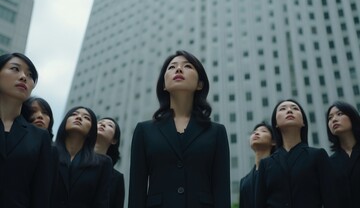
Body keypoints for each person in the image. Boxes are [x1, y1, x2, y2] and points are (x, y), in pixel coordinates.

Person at [128, 50, 231, 208]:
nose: (178, 69)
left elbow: (222, 190)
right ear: (164, 84)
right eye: (172, 67)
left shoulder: (216, 132)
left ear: (200, 84)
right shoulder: (144, 131)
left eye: (187, 66)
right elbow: (137, 191)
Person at [255, 99, 339, 208]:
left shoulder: (318, 155)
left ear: (303, 122)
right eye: (283, 109)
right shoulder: (265, 164)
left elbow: (332, 200)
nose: (289, 111)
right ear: (275, 123)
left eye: (295, 108)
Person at [0, 52, 52, 208]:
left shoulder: (39, 137)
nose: (23, 77)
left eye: (30, 75)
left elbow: (41, 194)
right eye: (15, 69)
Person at [52, 106, 113, 208]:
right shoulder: (47, 151)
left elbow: (101, 202)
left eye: (86, 118)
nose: (79, 118)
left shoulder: (103, 163)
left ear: (92, 130)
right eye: (74, 115)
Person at [327, 101, 360, 208]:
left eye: (339, 114)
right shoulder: (328, 162)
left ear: (352, 117)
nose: (334, 119)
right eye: (330, 118)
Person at [239, 121, 275, 208]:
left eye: (263, 131)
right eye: (254, 132)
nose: (256, 133)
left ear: (274, 142)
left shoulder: (280, 169)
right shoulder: (244, 181)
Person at [94, 117, 125, 208]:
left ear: (114, 140)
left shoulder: (117, 178)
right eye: (100, 122)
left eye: (110, 125)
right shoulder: (74, 160)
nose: (102, 125)